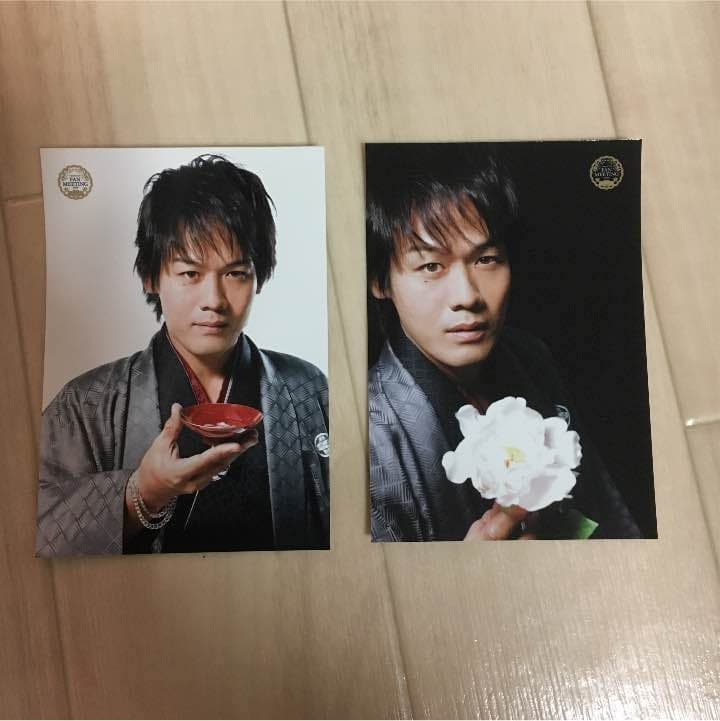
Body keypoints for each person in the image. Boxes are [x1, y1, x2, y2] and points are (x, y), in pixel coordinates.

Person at [36, 155, 329, 556]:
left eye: (236, 273)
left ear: (258, 278)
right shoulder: (86, 405)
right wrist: (141, 493)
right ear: (151, 277)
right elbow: (30, 526)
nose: (214, 300)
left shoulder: (308, 389)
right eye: (190, 274)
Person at [365, 143, 642, 541]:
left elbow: (610, 515)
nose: (467, 296)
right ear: (380, 282)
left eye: (487, 259)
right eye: (430, 265)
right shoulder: (372, 437)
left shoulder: (529, 356)